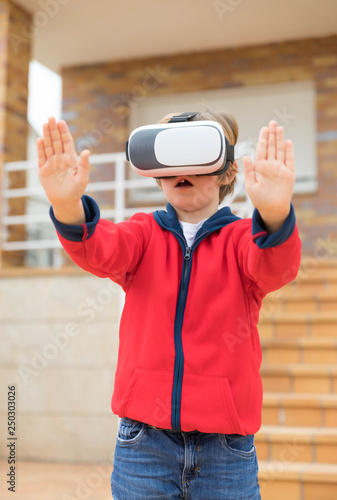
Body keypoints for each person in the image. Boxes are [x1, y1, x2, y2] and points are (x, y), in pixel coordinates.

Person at [37, 110, 301, 500]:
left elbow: (276, 266)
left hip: (225, 450)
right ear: (157, 172)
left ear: (228, 173)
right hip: (144, 445)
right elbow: (98, 248)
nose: (185, 168)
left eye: (199, 155)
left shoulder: (244, 239)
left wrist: (275, 213)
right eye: (172, 157)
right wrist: (66, 206)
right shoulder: (143, 235)